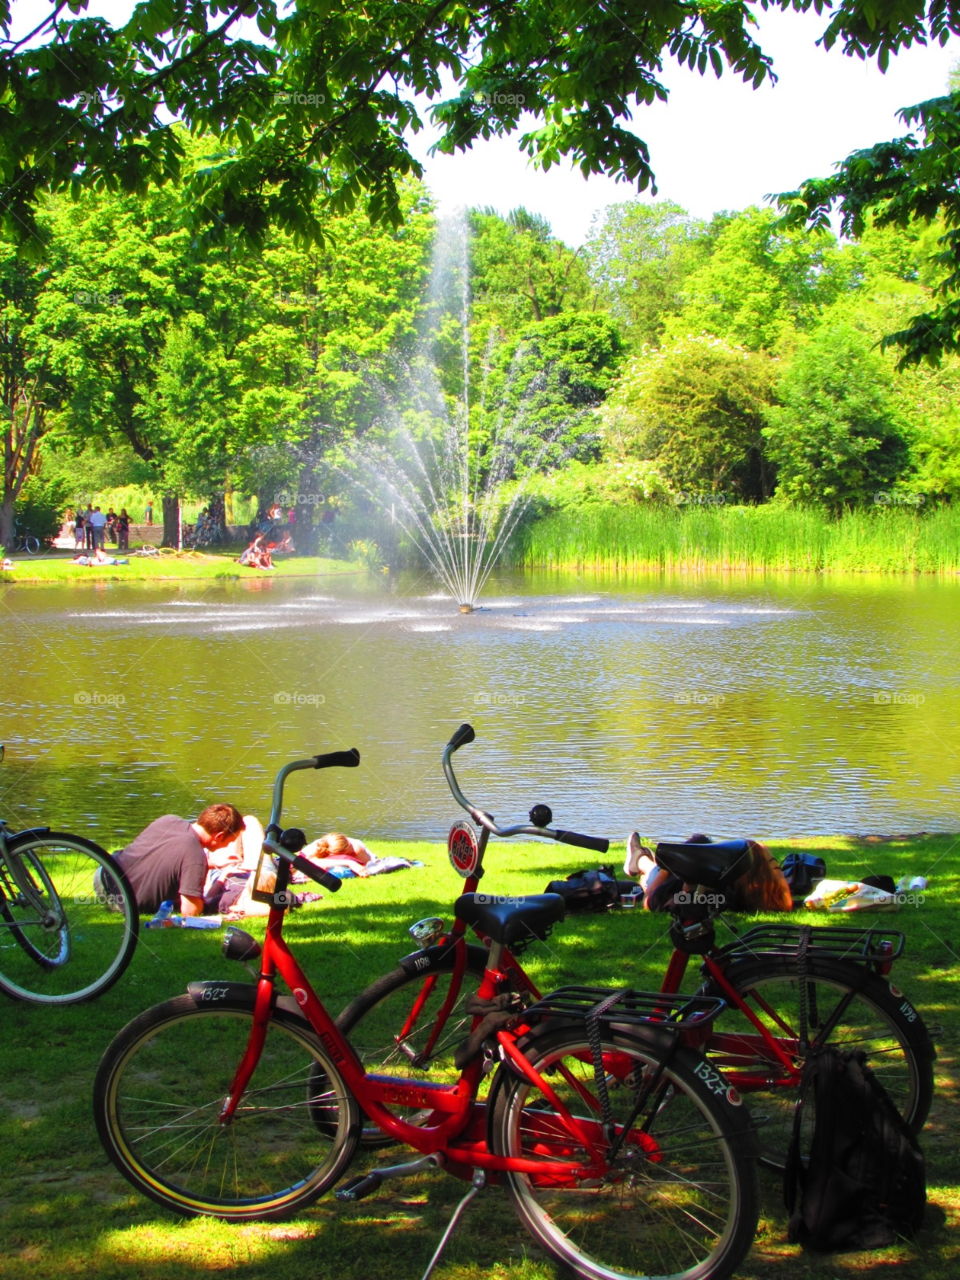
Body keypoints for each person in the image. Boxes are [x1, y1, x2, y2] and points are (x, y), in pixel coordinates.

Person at [109, 804, 245, 916]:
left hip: (107, 874)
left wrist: (211, 864)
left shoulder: (169, 820)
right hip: (124, 901)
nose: (227, 846)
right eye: (229, 841)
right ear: (219, 836)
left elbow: (166, 858)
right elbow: (190, 912)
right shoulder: (196, 855)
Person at [624, 832, 792, 913]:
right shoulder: (771, 894)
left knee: (653, 871)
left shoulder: (714, 892)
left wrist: (666, 869)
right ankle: (642, 858)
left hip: (670, 882)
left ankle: (639, 857)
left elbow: (650, 901)